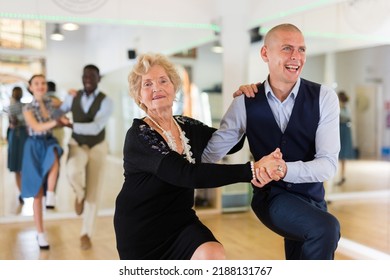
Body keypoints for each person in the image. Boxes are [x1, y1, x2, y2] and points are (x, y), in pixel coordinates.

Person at [113, 53, 285, 260]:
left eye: (163, 80)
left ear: (173, 87)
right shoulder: (140, 135)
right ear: (139, 96)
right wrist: (252, 170)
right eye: (147, 84)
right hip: (141, 229)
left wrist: (247, 103)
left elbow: (231, 142)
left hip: (181, 221)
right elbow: (186, 175)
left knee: (213, 254)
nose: (156, 88)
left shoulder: (186, 125)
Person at [202, 23, 341, 260]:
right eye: (287, 48)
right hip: (272, 198)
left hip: (313, 199)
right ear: (265, 53)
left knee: (306, 248)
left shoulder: (324, 97)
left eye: (301, 49)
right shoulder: (245, 102)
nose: (296, 57)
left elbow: (327, 164)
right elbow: (210, 154)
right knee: (325, 229)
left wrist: (284, 169)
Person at [56, 64, 113, 250]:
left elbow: (96, 127)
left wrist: (71, 125)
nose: (88, 79)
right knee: (72, 172)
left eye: (92, 76)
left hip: (97, 146)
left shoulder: (107, 101)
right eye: (85, 76)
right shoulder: (73, 96)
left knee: (94, 192)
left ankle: (86, 233)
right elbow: (58, 114)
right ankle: (79, 195)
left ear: (99, 79)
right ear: (82, 78)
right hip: (77, 144)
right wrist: (61, 100)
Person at [21, 74, 69, 249]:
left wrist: (70, 98)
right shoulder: (27, 108)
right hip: (33, 147)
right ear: (31, 87)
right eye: (36, 84)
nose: (40, 86)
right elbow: (37, 127)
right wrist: (56, 122)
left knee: (55, 153)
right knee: (36, 194)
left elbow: (65, 108)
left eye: (43, 83)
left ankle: (51, 194)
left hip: (48, 143)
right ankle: (40, 234)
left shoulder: (51, 102)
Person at [7, 86, 28, 205]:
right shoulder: (12, 107)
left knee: (23, 166)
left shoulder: (25, 107)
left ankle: (23, 191)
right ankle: (21, 192)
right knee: (16, 167)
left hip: (22, 135)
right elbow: (13, 122)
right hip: (16, 136)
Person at [337, 90, 355, 185]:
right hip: (339, 129)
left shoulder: (345, 107)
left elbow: (347, 117)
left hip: (344, 130)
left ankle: (342, 176)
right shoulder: (338, 106)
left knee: (343, 154)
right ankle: (339, 176)